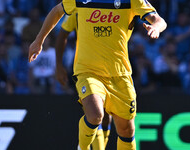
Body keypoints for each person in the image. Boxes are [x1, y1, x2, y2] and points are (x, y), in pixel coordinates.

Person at [28, 0, 167, 149]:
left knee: (127, 130)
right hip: (88, 71)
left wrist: (156, 28)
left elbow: (159, 20)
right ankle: (82, 147)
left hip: (119, 74)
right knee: (96, 115)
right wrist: (38, 40)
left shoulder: (132, 1)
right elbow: (57, 12)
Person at [55, 12, 112, 149]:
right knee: (95, 112)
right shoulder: (78, 6)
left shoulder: (113, 5)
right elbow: (63, 34)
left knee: (106, 117)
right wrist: (59, 66)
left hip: (111, 69)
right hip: (86, 69)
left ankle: (85, 146)